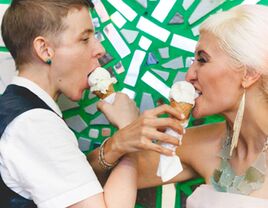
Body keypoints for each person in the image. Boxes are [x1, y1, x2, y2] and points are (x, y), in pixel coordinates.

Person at [0, 0, 185, 207]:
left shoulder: (18, 111)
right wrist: (129, 131)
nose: (99, 49)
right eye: (85, 38)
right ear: (45, 49)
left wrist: (121, 142)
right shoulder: (35, 123)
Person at [99, 4, 268, 208]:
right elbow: (82, 186)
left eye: (202, 60)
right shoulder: (200, 143)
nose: (189, 76)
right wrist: (123, 135)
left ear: (248, 74)